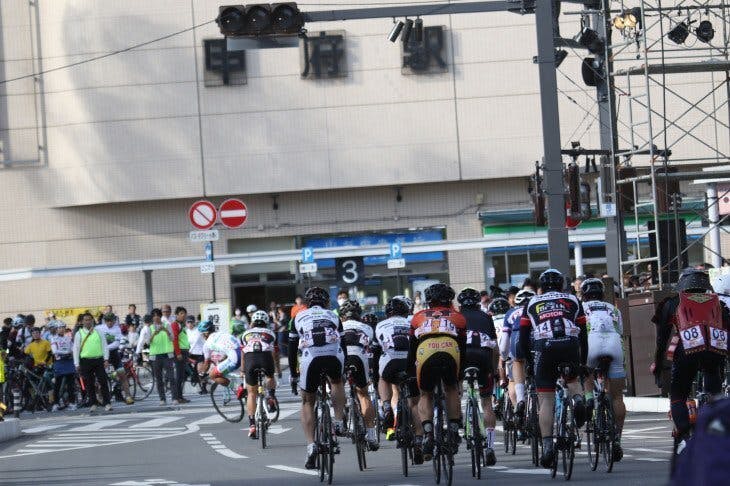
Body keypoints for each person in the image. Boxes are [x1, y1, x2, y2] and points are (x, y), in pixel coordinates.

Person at [651, 268, 728, 459]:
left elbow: (662, 340)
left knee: (678, 394)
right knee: (714, 388)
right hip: (713, 353)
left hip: (686, 352)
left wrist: (658, 365)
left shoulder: (672, 303)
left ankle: (684, 438)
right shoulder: (718, 303)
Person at [520, 269, 588, 468]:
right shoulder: (573, 300)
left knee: (546, 400)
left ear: (540, 287)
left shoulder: (531, 303)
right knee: (573, 380)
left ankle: (548, 446)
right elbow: (583, 334)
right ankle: (577, 400)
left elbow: (524, 338)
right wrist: (582, 362)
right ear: (562, 286)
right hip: (570, 343)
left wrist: (530, 363)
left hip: (544, 346)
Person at [288, 287, 347, 470]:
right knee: (337, 382)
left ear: (307, 303)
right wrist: (343, 371)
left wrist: (293, 374)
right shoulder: (333, 315)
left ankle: (311, 444)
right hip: (333, 355)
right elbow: (343, 344)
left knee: (307, 401)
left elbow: (291, 349)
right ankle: (338, 422)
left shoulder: (297, 317)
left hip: (310, 357)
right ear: (326, 302)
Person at [408, 283, 467, 461]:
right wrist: (460, 375)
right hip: (451, 350)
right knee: (451, 388)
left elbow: (412, 350)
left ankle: (427, 432)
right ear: (449, 300)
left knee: (425, 393)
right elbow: (463, 349)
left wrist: (410, 372)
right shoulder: (458, 317)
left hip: (425, 351)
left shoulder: (417, 316)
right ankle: (454, 429)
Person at [580, 278, 626, 460]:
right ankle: (617, 441)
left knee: (586, 371)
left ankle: (590, 398)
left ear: (583, 294)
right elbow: (620, 331)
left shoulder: (582, 308)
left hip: (592, 344)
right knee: (616, 397)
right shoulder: (613, 308)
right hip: (614, 345)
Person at [376, 297, 423, 460]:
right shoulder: (412, 322)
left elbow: (376, 349)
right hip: (410, 363)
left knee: (383, 379)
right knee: (415, 403)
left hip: (390, 361)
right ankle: (418, 440)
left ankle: (387, 407)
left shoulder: (381, 324)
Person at [458, 287, 498, 465]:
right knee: (486, 401)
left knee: (453, 388)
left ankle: (457, 419)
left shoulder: (456, 318)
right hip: (483, 357)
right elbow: (495, 347)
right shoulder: (486, 317)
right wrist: (494, 369)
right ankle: (489, 445)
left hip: (463, 356)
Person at [339, 299, 379, 451]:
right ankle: (371, 435)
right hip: (359, 356)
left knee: (337, 385)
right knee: (363, 394)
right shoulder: (366, 327)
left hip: (342, 355)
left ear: (343, 316)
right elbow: (371, 350)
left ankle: (340, 416)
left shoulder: (339, 325)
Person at [500, 289, 536, 426]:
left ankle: (521, 400)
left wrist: (503, 357)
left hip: (518, 338)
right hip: (536, 338)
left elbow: (504, 344)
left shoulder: (511, 313)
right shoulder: (538, 308)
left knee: (518, 362)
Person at [239, 312, 278, 439]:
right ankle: (271, 397)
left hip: (250, 361)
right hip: (265, 359)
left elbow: (243, 353)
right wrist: (276, 368)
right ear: (266, 322)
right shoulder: (271, 333)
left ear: (252, 322)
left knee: (251, 393)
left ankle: (252, 426)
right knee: (270, 377)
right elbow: (274, 352)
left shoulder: (245, 334)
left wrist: (243, 370)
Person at [73, 312, 112, 412]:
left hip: (98, 360)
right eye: (85, 320)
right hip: (85, 361)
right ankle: (93, 403)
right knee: (89, 383)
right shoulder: (79, 333)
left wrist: (106, 359)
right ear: (82, 322)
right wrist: (76, 364)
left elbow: (104, 345)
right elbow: (76, 349)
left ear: (92, 320)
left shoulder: (98, 331)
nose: (88, 321)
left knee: (103, 381)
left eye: (89, 319)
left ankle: (107, 403)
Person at [139, 309, 175, 406]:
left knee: (171, 377)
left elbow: (172, 338)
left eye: (158, 315)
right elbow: (147, 342)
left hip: (167, 354)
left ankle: (174, 397)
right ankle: (162, 399)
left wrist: (166, 330)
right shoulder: (149, 328)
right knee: (158, 378)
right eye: (154, 315)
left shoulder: (167, 325)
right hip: (155, 356)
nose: (156, 317)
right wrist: (154, 333)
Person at [100, 313, 134, 405]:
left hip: (113, 353)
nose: (109, 323)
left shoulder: (117, 329)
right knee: (101, 377)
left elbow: (116, 343)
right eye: (107, 321)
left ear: (114, 321)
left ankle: (128, 396)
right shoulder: (99, 328)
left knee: (122, 374)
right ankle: (101, 397)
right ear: (105, 321)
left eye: (111, 320)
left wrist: (105, 347)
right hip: (102, 354)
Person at [50, 320, 76, 411]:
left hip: (69, 361)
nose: (61, 329)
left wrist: (71, 352)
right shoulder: (53, 338)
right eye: (59, 328)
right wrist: (66, 352)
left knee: (70, 384)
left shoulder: (68, 338)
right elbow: (54, 351)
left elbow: (73, 348)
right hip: (59, 362)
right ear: (56, 329)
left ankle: (72, 403)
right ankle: (56, 404)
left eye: (63, 327)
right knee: (58, 384)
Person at [170, 307, 191, 404]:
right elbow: (175, 339)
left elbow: (183, 339)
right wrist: (178, 353)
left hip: (184, 352)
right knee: (179, 376)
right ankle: (178, 397)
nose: (184, 315)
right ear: (177, 315)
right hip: (179, 353)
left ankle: (180, 396)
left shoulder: (182, 325)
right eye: (181, 313)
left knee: (182, 375)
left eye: (184, 313)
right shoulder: (175, 325)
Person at [186, 315, 207, 394]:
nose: (190, 324)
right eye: (188, 322)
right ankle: (194, 377)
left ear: (194, 323)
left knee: (200, 371)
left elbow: (195, 342)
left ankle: (204, 388)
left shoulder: (198, 330)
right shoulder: (186, 331)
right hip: (191, 353)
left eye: (191, 322)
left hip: (200, 353)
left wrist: (189, 351)